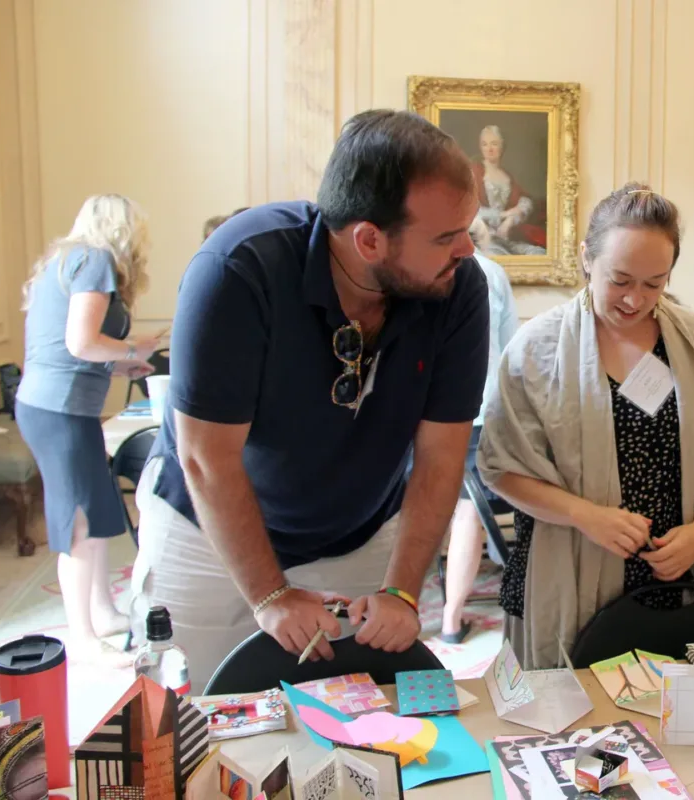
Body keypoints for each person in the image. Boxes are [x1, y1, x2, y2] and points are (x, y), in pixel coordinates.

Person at [129, 110, 490, 687]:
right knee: (190, 713)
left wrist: (400, 590)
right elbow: (206, 458)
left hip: (358, 531)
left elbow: (442, 457)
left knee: (358, 715)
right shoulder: (237, 268)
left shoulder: (455, 287)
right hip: (207, 529)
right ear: (369, 239)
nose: (468, 249)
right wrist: (270, 593)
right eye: (447, 236)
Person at [477, 184, 694, 669]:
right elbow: (502, 469)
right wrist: (585, 515)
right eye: (619, 279)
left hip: (678, 578)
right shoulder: (535, 350)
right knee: (577, 729)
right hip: (568, 574)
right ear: (587, 258)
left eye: (654, 283)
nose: (634, 300)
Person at [15, 194, 163, 666]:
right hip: (58, 410)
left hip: (59, 406)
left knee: (98, 512)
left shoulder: (65, 261)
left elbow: (67, 348)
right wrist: (130, 347)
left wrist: (121, 366)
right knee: (78, 521)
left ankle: (101, 612)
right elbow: (81, 342)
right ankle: (82, 635)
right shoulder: (95, 259)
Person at [440, 246, 519, 644]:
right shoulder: (490, 271)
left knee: (460, 510)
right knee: (470, 511)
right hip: (480, 413)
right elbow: (510, 354)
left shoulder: (412, 267)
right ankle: (451, 620)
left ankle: (442, 615)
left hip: (425, 418)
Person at [469, 125, 545, 256]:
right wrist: (503, 215)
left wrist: (511, 220)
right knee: (499, 256)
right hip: (484, 238)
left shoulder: (507, 176)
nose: (489, 149)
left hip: (508, 237)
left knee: (538, 253)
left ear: (502, 147)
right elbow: (468, 209)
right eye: (485, 144)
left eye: (494, 144)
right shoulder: (474, 172)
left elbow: (525, 201)